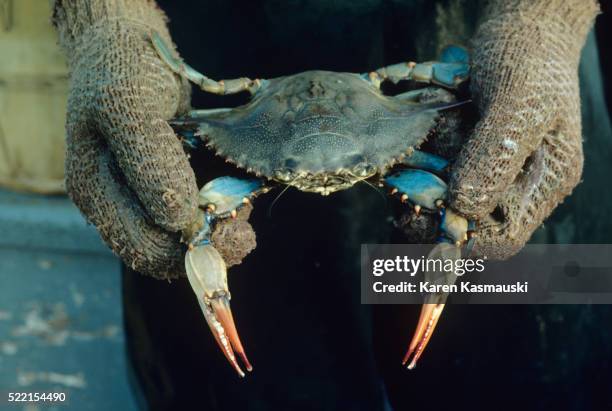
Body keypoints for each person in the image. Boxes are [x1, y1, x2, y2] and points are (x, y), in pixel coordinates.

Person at [53, 1, 611, 410]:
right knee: (239, 355)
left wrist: (547, 14)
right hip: (207, 59)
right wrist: (102, 17)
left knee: (524, 366)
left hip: (481, 92)